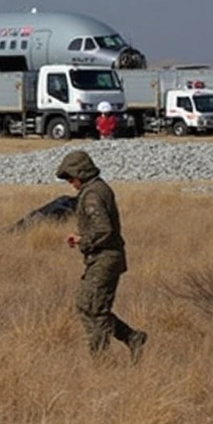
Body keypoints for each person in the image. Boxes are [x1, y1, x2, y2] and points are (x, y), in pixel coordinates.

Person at [58, 150, 147, 362]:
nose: (71, 183)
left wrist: (83, 240)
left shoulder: (92, 195)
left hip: (104, 258)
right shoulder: (99, 188)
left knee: (94, 310)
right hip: (105, 258)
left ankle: (101, 361)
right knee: (86, 305)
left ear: (81, 173)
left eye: (71, 178)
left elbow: (103, 230)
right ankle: (132, 337)